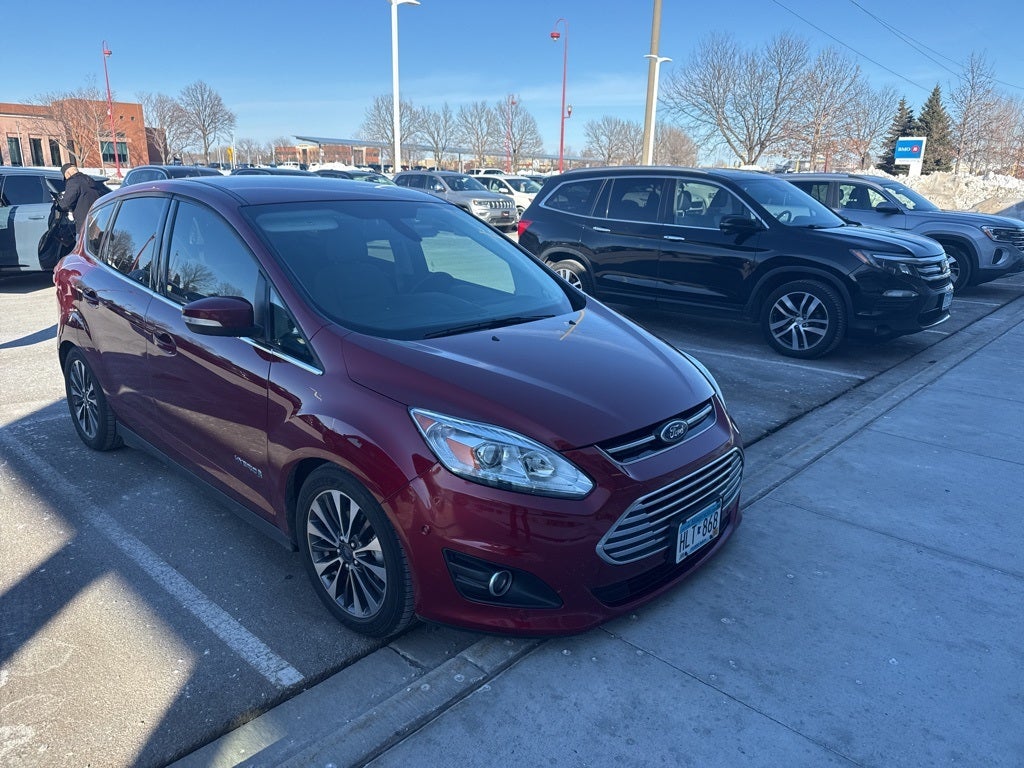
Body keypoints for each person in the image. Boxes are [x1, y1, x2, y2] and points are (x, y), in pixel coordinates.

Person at [57, 163, 110, 236]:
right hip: (98, 220)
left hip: (84, 223)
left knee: (82, 245)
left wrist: (58, 205)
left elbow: (66, 203)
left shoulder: (73, 182)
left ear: (68, 173)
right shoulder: (90, 180)